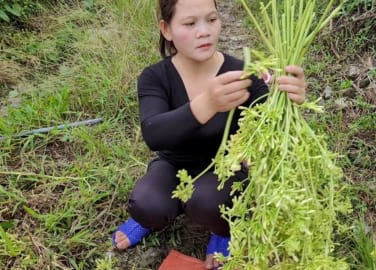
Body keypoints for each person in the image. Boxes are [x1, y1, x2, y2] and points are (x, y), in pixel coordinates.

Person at [112, 0, 307, 269]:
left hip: (224, 168)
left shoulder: (244, 73)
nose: (204, 31)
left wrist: (290, 103)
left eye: (212, 20)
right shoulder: (155, 77)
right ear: (166, 30)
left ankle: (222, 231)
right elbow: (154, 134)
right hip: (173, 163)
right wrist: (207, 104)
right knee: (147, 204)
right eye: (190, 23)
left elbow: (267, 130)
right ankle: (148, 220)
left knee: (207, 202)